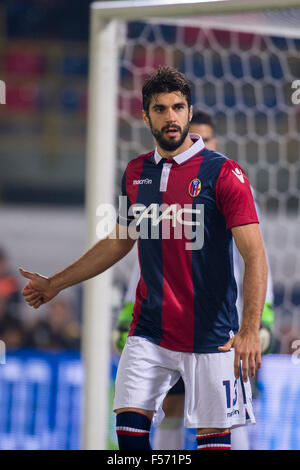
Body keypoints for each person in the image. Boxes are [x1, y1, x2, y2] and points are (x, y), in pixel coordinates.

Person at [20, 66, 268, 451]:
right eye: (161, 108)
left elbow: (255, 255)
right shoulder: (136, 173)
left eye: (178, 107)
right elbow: (118, 242)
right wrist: (55, 283)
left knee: (214, 443)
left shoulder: (224, 173)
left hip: (212, 335)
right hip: (149, 331)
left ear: (189, 112)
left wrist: (249, 330)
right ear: (146, 115)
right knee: (129, 439)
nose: (171, 116)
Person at [113, 109, 275, 450]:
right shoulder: (150, 180)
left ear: (213, 141)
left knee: (226, 416)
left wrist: (258, 323)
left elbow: (257, 258)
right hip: (164, 323)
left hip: (219, 325)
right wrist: (128, 314)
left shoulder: (228, 180)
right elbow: (144, 257)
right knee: (169, 407)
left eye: (205, 136)